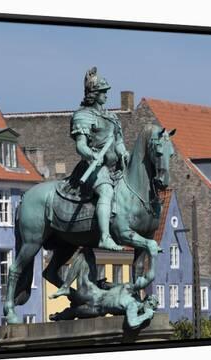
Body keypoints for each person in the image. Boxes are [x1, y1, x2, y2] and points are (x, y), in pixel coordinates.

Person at [70, 67, 130, 252]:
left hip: (114, 167)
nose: (106, 95)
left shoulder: (112, 117)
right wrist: (92, 155)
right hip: (93, 167)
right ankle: (104, 237)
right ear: (93, 94)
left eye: (106, 91)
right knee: (106, 192)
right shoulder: (83, 116)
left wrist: (124, 152)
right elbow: (81, 145)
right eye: (102, 92)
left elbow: (118, 142)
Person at [49, 248, 158, 329]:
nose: (140, 280)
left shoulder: (133, 305)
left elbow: (133, 323)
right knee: (87, 252)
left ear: (148, 306)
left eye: (152, 304)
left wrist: (147, 315)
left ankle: (64, 292)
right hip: (96, 293)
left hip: (96, 307)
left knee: (74, 311)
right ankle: (65, 290)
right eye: (151, 300)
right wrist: (152, 255)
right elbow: (150, 276)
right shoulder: (131, 288)